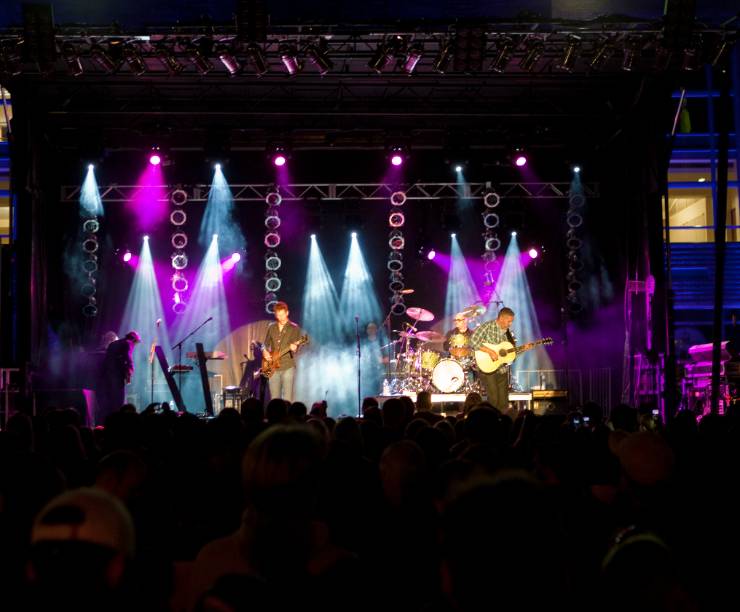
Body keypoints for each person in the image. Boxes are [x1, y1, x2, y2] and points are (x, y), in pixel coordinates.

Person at [469, 307, 516, 412]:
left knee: (503, 403)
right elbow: (472, 341)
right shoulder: (488, 326)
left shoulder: (507, 333)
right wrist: (490, 352)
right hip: (488, 369)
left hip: (501, 370)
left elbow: (507, 354)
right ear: (502, 318)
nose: (510, 324)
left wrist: (519, 350)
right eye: (509, 321)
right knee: (493, 401)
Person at [262, 302, 306, 403]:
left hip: (288, 366)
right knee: (274, 399)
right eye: (278, 315)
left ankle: (287, 418)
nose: (281, 318)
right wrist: (264, 351)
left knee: (287, 399)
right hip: (273, 367)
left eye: (282, 315)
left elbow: (297, 347)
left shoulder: (294, 328)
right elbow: (264, 344)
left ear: (287, 313)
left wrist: (295, 347)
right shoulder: (271, 327)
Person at [97, 331, 141, 425]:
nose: (135, 345)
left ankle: (106, 423)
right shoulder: (128, 343)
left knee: (109, 401)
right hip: (117, 376)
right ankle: (119, 423)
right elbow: (128, 358)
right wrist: (130, 371)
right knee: (119, 400)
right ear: (133, 339)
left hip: (106, 376)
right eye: (136, 342)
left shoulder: (113, 343)